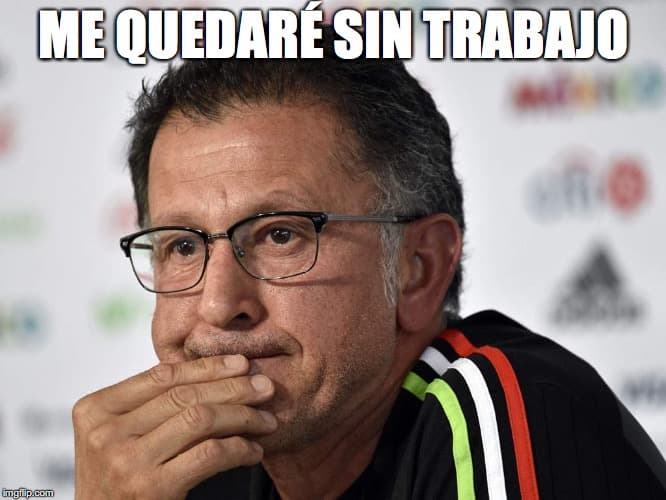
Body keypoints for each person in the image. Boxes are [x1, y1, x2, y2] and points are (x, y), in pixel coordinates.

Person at [73, 29, 666, 500]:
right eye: (183, 246)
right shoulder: (189, 469)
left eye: (281, 235)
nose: (220, 305)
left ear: (418, 268)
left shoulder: (504, 411)